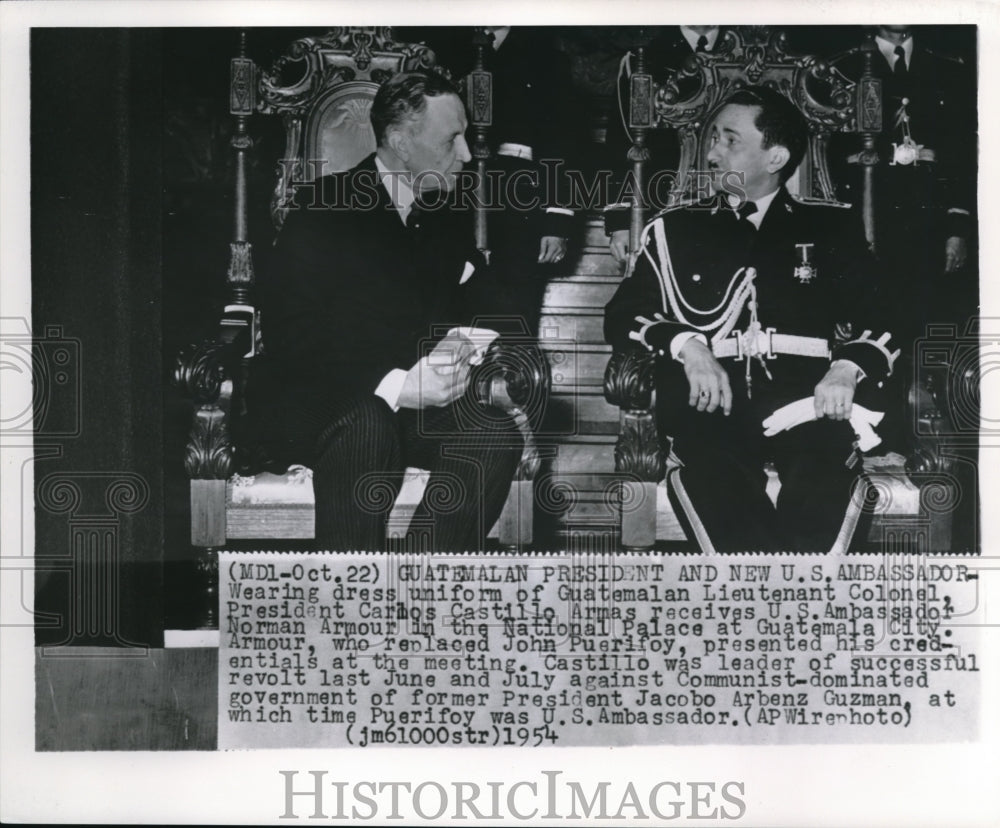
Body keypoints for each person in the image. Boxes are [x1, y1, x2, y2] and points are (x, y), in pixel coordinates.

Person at [604, 85, 898, 553]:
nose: (713, 152)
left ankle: (802, 604)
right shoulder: (676, 228)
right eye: (712, 137)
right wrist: (690, 348)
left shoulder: (830, 228)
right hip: (710, 405)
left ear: (775, 156)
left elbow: (884, 314)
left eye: (730, 140)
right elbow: (624, 314)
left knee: (823, 474)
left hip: (806, 402)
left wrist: (845, 368)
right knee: (715, 479)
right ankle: (761, 597)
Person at [248, 71, 523, 552]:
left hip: (412, 403)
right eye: (452, 138)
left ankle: (419, 594)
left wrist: (465, 351)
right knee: (368, 422)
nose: (466, 154)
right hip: (325, 401)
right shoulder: (322, 209)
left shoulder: (443, 217)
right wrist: (397, 384)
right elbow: (296, 338)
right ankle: (352, 607)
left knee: (492, 433)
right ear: (399, 140)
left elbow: (490, 304)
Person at [831, 25, 977, 345]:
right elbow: (831, 153)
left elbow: (963, 157)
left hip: (930, 222)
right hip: (868, 219)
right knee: (873, 323)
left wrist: (958, 228)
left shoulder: (950, 69)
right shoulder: (842, 68)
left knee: (928, 324)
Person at [604, 26, 725, 264]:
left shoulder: (750, 48)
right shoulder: (645, 56)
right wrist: (620, 222)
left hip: (733, 195)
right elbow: (623, 145)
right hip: (660, 201)